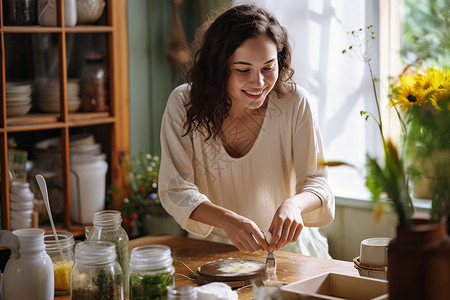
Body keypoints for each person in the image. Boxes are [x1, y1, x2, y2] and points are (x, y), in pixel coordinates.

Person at [158, 4, 334, 258]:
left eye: (268, 67)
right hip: (209, 252)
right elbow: (176, 189)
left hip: (286, 251)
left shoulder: (294, 102)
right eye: (243, 70)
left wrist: (295, 205)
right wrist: (228, 221)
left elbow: (318, 182)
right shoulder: (183, 103)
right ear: (218, 66)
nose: (259, 82)